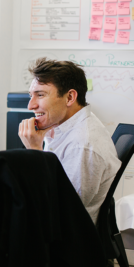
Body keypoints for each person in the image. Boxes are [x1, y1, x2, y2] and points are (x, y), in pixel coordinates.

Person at [18, 57, 121, 224]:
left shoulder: (82, 145)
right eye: (31, 95)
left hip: (66, 241)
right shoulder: (64, 125)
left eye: (40, 95)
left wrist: (35, 151)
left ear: (70, 97)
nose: (30, 105)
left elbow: (61, 211)